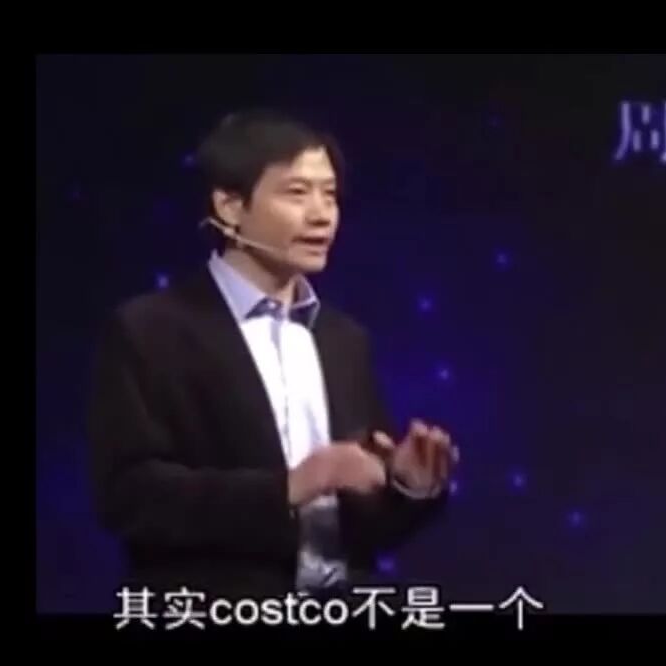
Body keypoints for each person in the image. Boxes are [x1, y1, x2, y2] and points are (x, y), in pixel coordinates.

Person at [86, 109, 457, 604]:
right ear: (229, 207)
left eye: (330, 195)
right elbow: (129, 497)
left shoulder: (344, 340)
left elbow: (364, 531)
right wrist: (293, 485)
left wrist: (407, 486)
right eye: (297, 193)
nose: (322, 215)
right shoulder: (151, 329)